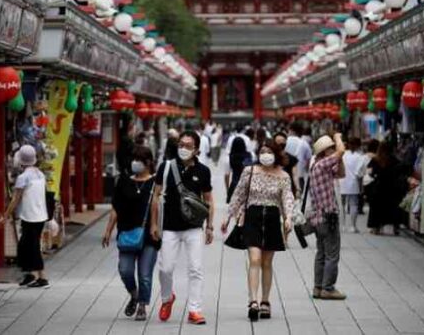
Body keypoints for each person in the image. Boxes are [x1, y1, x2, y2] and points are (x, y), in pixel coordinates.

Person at [221, 140, 294, 321]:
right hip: (252, 217)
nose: (265, 155)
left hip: (272, 218)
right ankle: (253, 301)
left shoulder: (283, 176)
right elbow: (239, 194)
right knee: (254, 259)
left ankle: (265, 301)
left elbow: (287, 198)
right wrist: (228, 217)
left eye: (269, 151)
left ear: (276, 154)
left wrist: (288, 217)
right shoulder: (250, 171)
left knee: (267, 263)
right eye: (262, 151)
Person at [151, 131, 215, 325]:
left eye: (188, 146)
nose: (183, 149)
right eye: (181, 145)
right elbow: (156, 195)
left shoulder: (203, 171)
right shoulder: (166, 167)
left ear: (196, 150)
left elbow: (208, 200)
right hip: (169, 226)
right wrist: (153, 223)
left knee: (195, 269)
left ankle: (194, 310)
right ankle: (167, 298)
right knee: (165, 268)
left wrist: (210, 226)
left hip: (194, 227)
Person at [103, 146, 160, 320]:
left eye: (138, 160)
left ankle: (142, 305)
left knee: (145, 274)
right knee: (125, 270)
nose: (134, 163)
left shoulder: (156, 182)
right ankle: (134, 295)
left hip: (149, 235)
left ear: (148, 162)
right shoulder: (123, 181)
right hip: (127, 232)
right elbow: (116, 208)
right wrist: (108, 230)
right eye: (133, 159)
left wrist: (155, 225)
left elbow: (156, 205)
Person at [0, 145, 50, 288]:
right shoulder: (40, 175)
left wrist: (5, 215)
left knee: (32, 247)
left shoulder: (23, 178)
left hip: (30, 216)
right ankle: (29, 275)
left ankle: (42, 278)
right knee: (25, 246)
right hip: (40, 215)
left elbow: (15, 199)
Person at [307, 133, 346, 300]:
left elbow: (341, 174)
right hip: (328, 216)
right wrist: (337, 137)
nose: (334, 150)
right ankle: (328, 288)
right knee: (332, 254)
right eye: (331, 148)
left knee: (322, 253)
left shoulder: (318, 165)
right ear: (325, 151)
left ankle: (318, 287)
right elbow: (342, 150)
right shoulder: (323, 164)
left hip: (319, 218)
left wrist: (339, 159)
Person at [365, 141, 405, 235]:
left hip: (378, 187)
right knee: (393, 207)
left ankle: (376, 227)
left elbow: (370, 172)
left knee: (377, 208)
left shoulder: (375, 160)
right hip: (392, 187)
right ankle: (395, 227)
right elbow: (400, 172)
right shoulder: (394, 160)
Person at [341, 138, 368, 233]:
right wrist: (361, 187)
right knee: (353, 204)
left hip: (342, 182)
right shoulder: (360, 157)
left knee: (342, 205)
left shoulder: (343, 155)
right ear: (358, 146)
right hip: (354, 183)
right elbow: (361, 174)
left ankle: (342, 225)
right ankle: (353, 226)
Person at [225, 136, 251, 203]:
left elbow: (227, 175)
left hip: (235, 184)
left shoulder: (230, 157)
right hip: (247, 184)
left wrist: (228, 189)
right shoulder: (249, 156)